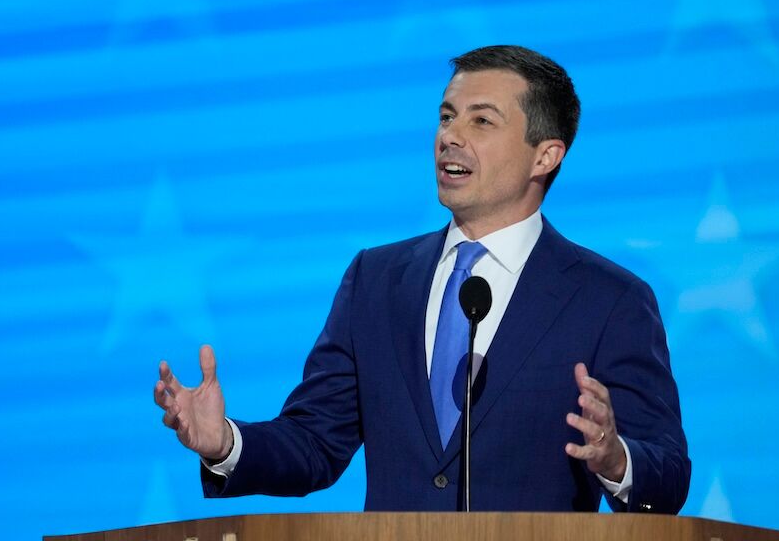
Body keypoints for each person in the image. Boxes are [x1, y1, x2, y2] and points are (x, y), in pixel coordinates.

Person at [154, 45, 690, 513]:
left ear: (545, 155)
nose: (450, 137)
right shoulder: (377, 279)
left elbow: (667, 479)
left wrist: (616, 458)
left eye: (481, 121)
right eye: (446, 116)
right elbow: (315, 444)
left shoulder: (609, 300)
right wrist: (223, 443)